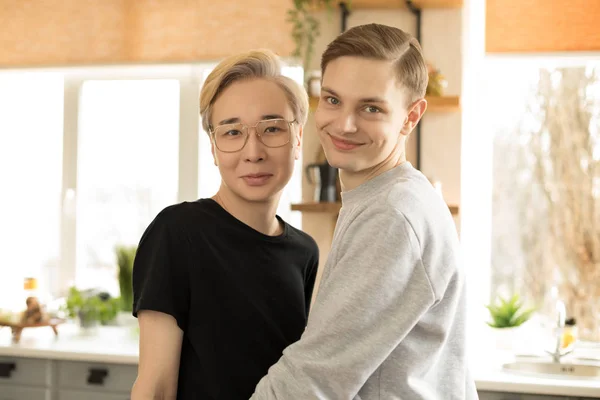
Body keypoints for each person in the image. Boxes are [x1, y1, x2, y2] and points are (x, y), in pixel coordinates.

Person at [251, 24, 478, 399]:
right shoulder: (395, 197)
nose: (344, 124)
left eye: (371, 108)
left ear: (411, 116)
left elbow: (313, 379)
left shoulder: (392, 215)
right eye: (333, 100)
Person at [130, 49, 319, 400]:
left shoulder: (305, 252)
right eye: (232, 132)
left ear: (297, 140)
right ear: (214, 149)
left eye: (272, 128)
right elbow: (155, 387)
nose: (253, 151)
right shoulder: (177, 232)